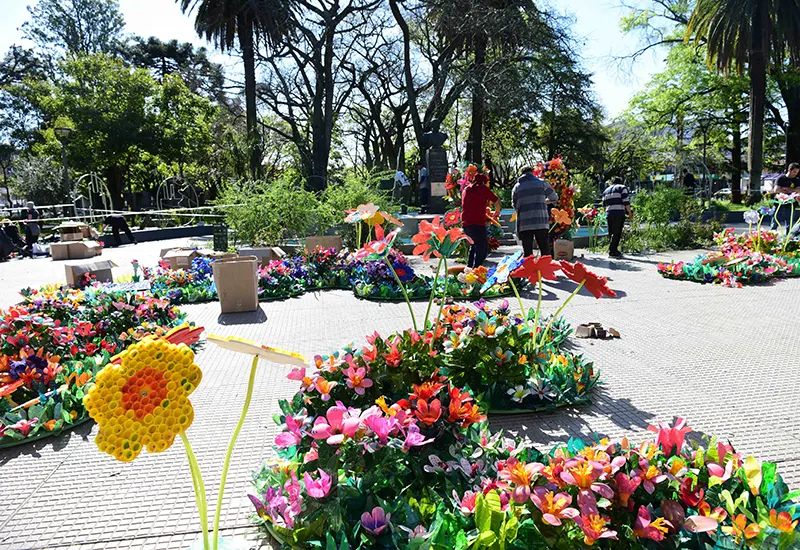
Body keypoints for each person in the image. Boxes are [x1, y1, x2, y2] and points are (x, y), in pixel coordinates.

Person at [512, 166, 558, 257]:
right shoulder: (541, 183)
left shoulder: (516, 187)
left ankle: (529, 270)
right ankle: (546, 269)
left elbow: (515, 205)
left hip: (524, 223)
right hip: (540, 222)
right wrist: (544, 201)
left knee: (527, 251)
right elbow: (554, 198)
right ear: (532, 172)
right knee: (544, 249)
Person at [462, 174, 501, 268]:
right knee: (482, 247)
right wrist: (497, 212)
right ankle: (477, 269)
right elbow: (496, 201)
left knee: (474, 244)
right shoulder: (483, 189)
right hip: (477, 223)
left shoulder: (466, 189)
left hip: (466, 223)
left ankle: (469, 267)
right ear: (484, 182)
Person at [602, 177, 633, 258]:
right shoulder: (622, 188)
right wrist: (629, 212)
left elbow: (604, 204)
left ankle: (613, 250)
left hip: (609, 213)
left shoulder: (606, 190)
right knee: (617, 232)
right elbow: (626, 201)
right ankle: (613, 251)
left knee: (611, 232)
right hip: (618, 212)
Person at [775, 162, 800, 236]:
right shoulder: (781, 178)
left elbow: (798, 190)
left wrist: (786, 189)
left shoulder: (797, 180)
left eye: (797, 172)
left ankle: (789, 238)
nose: (795, 174)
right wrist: (792, 190)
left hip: (791, 204)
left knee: (790, 222)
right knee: (775, 220)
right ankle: (772, 235)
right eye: (794, 171)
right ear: (789, 169)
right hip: (779, 203)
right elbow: (777, 190)